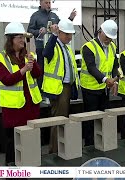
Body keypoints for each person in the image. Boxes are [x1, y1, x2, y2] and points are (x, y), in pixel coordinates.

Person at [0, 22, 42, 165]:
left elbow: (38, 74)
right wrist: (24, 69)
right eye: (19, 37)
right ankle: (12, 169)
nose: (22, 40)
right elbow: (6, 80)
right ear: (10, 39)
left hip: (31, 105)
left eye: (23, 37)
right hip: (13, 109)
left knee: (30, 138)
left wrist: (33, 64)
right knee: (13, 141)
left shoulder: (28, 55)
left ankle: (29, 165)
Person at [42, 18, 79, 153]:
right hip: (58, 89)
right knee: (58, 119)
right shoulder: (53, 45)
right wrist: (53, 35)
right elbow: (46, 53)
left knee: (63, 118)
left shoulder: (67, 48)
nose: (69, 37)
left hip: (67, 87)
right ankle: (55, 150)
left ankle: (60, 147)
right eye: (67, 34)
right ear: (60, 33)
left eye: (71, 35)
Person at [80, 19, 119, 146]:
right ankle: (90, 145)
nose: (109, 40)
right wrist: (105, 80)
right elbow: (91, 68)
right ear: (100, 32)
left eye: (111, 38)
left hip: (104, 88)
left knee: (103, 116)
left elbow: (114, 65)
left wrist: (114, 81)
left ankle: (101, 142)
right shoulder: (88, 47)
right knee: (90, 118)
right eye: (107, 37)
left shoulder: (113, 46)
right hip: (90, 88)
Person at [27, 0, 76, 98]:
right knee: (41, 69)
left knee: (54, 70)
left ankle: (55, 90)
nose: (48, 5)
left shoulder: (54, 15)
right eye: (46, 2)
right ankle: (41, 92)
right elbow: (29, 30)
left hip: (55, 46)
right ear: (40, 3)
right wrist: (38, 31)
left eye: (49, 3)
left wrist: (70, 18)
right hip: (42, 47)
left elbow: (63, 26)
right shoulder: (35, 15)